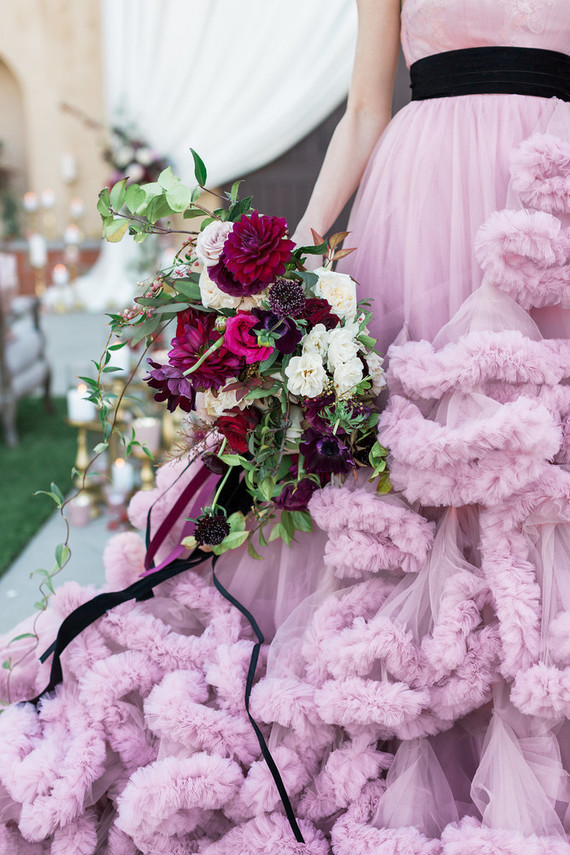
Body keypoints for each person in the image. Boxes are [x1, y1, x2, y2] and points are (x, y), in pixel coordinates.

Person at [1, 1, 570, 853]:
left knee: (537, 462)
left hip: (547, 199)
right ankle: (412, 709)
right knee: (419, 462)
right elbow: (366, 107)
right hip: (422, 205)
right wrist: (287, 269)